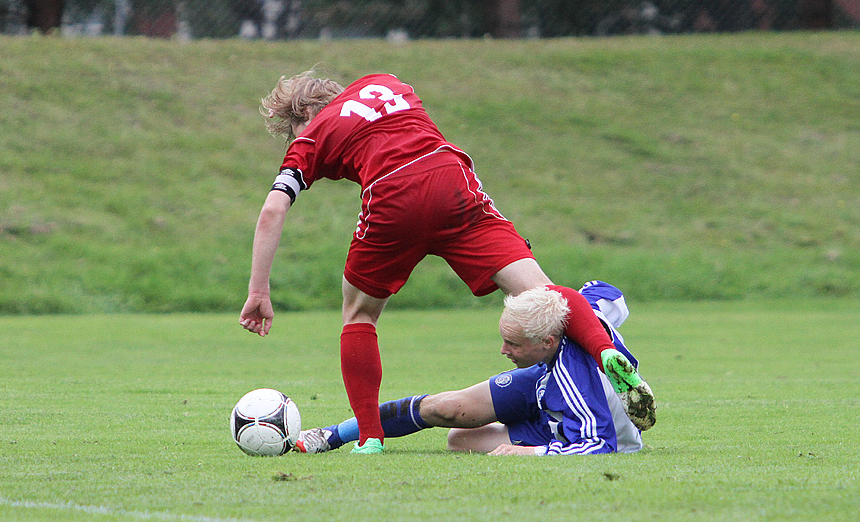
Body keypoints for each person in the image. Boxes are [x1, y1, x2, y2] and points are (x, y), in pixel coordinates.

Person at [239, 70, 648, 453]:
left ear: (306, 114)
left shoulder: (311, 137)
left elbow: (273, 211)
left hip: (392, 196)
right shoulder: (384, 82)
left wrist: (259, 290)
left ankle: (369, 437)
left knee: (359, 315)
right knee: (546, 297)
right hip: (450, 177)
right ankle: (606, 353)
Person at [295, 281, 655, 456]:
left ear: (546, 340)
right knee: (445, 408)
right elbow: (608, 293)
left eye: (513, 344)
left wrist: (532, 453)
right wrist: (605, 345)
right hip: (541, 378)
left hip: (573, 422)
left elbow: (599, 444)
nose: (503, 350)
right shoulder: (575, 315)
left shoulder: (577, 381)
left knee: (462, 440)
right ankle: (333, 434)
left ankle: (536, 431)